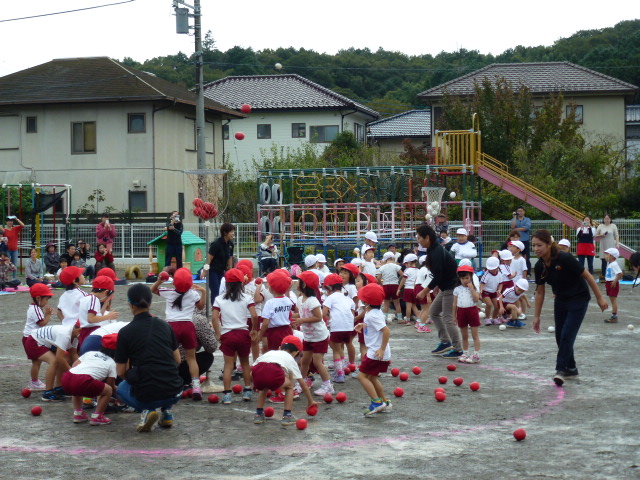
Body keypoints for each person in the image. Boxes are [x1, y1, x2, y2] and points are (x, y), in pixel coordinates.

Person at [532, 229, 608, 386]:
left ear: (548, 244)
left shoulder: (564, 258)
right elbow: (540, 292)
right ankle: (572, 368)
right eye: (533, 246)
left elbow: (587, 275)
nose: (536, 249)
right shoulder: (540, 266)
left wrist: (600, 297)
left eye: (539, 245)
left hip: (579, 299)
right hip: (560, 299)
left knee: (567, 334)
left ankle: (560, 370)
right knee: (559, 335)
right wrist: (537, 316)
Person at [115, 284, 183, 432]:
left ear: (131, 305)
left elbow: (120, 371)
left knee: (121, 389)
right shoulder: (165, 326)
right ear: (150, 303)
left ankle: (147, 409)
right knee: (163, 376)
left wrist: (134, 376)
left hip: (147, 391)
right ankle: (167, 412)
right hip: (175, 390)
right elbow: (177, 360)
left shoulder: (125, 332)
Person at [152, 267, 207, 401]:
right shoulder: (193, 294)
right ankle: (196, 386)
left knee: (170, 358)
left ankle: (169, 385)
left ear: (175, 282)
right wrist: (204, 292)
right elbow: (201, 307)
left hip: (171, 327)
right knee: (191, 358)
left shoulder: (169, 292)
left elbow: (152, 290)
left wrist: (159, 281)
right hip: (188, 326)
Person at [415, 224, 463, 358]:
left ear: (427, 238)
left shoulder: (436, 252)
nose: (418, 240)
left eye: (419, 238)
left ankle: (458, 349)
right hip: (446, 287)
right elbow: (440, 274)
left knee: (447, 318)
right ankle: (445, 341)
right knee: (434, 312)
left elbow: (439, 275)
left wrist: (425, 291)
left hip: (451, 288)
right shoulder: (433, 250)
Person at [211, 268, 258, 404]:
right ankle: (248, 390)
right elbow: (254, 315)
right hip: (243, 333)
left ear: (226, 284)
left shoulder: (219, 299)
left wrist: (218, 333)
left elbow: (215, 318)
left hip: (227, 334)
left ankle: (227, 394)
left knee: (228, 365)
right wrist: (254, 329)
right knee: (245, 363)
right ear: (241, 283)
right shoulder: (247, 298)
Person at [251, 335, 317, 426]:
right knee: (290, 386)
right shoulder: (290, 359)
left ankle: (258, 414)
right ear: (296, 353)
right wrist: (311, 401)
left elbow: (253, 369)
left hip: (257, 372)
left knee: (264, 387)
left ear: (280, 347)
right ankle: (287, 416)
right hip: (273, 372)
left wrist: (256, 384)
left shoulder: (270, 352)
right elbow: (303, 384)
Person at [61, 334, 118, 426]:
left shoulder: (90, 353)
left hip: (67, 378)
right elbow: (110, 385)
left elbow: (74, 365)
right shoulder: (112, 363)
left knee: (76, 388)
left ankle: (78, 414)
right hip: (83, 381)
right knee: (108, 390)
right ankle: (98, 416)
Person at [292, 271, 333, 396]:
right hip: (309, 336)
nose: (296, 282)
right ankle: (301, 383)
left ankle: (328, 385)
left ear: (304, 285)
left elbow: (318, 317)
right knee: (305, 361)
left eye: (299, 281)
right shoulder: (300, 299)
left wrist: (301, 320)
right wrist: (291, 317)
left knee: (317, 362)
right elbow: (303, 314)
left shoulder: (313, 300)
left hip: (319, 336)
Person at [354, 283, 392, 416]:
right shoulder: (374, 312)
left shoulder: (372, 315)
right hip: (378, 351)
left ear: (366, 301)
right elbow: (375, 326)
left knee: (361, 376)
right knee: (372, 377)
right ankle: (384, 401)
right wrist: (364, 325)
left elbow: (386, 331)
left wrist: (381, 349)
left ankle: (376, 402)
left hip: (376, 352)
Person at [27, 322, 82, 401]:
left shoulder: (75, 336)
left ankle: (59, 388)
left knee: (67, 358)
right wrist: (71, 372)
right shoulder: (65, 334)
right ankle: (48, 392)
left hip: (45, 343)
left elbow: (73, 354)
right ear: (79, 330)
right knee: (54, 361)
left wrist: (82, 368)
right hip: (34, 341)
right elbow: (59, 357)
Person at [323, 273, 355, 384]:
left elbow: (324, 312)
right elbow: (352, 310)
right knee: (340, 348)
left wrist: (327, 320)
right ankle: (341, 368)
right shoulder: (347, 298)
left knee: (336, 350)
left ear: (330, 287)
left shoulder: (330, 298)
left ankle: (340, 373)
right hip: (348, 326)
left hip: (337, 326)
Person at [23, 283, 55, 390]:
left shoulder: (34, 308)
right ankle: (34, 381)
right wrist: (48, 316)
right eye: (46, 299)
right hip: (31, 339)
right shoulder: (36, 309)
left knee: (37, 361)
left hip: (29, 337)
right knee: (37, 361)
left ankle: (34, 381)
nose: (47, 302)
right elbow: (42, 323)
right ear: (38, 298)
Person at [77, 275, 120, 349]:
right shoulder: (94, 299)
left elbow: (99, 315)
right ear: (106, 292)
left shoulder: (87, 298)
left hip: (84, 332)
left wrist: (106, 301)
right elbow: (91, 319)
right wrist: (109, 316)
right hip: (91, 331)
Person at [256, 271, 295, 352]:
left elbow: (266, 322)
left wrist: (260, 335)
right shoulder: (288, 300)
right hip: (287, 330)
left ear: (271, 288)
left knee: (274, 354)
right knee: (286, 352)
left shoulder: (270, 303)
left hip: (274, 333)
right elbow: (292, 313)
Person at [453, 265, 482, 364]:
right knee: (464, 335)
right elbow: (454, 304)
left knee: (475, 335)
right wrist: (454, 316)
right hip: (461, 311)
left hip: (472, 311)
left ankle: (476, 354)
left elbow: (476, 299)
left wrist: (472, 289)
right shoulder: (457, 289)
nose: (464, 280)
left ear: (471, 277)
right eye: (462, 278)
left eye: (467, 278)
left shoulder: (474, 288)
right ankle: (465, 352)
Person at [203, 222, 235, 302]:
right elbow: (209, 259)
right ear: (225, 233)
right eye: (231, 232)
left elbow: (230, 257)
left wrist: (230, 270)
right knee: (215, 291)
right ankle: (214, 309)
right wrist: (204, 271)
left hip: (222, 271)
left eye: (233, 231)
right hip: (213, 271)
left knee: (223, 290)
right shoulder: (216, 244)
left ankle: (220, 309)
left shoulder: (231, 244)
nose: (233, 234)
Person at [377, 251, 402, 323]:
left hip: (385, 285)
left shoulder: (382, 267)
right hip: (395, 285)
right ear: (393, 258)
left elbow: (378, 278)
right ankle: (400, 319)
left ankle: (384, 319)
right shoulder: (396, 266)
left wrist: (381, 285)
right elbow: (403, 275)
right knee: (397, 303)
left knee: (386, 304)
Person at [595, 214, 620, 280]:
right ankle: (603, 275)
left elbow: (616, 235)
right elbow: (596, 235)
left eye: (608, 218)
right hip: (603, 244)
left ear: (610, 219)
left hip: (611, 244)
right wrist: (601, 235)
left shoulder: (613, 226)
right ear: (603, 219)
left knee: (611, 260)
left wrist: (617, 243)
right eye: (605, 218)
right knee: (604, 260)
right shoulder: (600, 226)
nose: (606, 220)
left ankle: (612, 275)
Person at [396, 253, 419, 325]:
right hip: (415, 289)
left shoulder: (407, 271)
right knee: (414, 305)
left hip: (408, 289)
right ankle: (419, 319)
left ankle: (408, 320)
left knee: (408, 306)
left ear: (409, 262)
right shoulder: (418, 270)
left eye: (406, 263)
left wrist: (399, 288)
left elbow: (403, 280)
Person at [603, 248, 623, 323]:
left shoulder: (614, 264)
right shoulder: (611, 264)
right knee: (612, 300)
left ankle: (614, 316)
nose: (606, 256)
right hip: (609, 283)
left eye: (608, 255)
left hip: (612, 283)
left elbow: (620, 274)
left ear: (613, 256)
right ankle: (613, 316)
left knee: (613, 300)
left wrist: (615, 281)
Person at [510, 207, 532, 272]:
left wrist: (516, 229)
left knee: (526, 257)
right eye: (518, 211)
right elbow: (512, 226)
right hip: (516, 242)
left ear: (524, 212)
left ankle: (528, 272)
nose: (520, 212)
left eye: (521, 211)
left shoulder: (527, 219)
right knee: (514, 256)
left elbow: (527, 228)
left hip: (525, 240)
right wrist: (514, 217)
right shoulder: (514, 219)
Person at [4, 215, 25, 280]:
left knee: (14, 264)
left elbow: (23, 225)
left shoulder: (15, 229)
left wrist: (17, 219)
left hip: (15, 250)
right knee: (7, 264)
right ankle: (5, 278)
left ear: (12, 222)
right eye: (8, 221)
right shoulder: (4, 230)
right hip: (7, 250)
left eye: (11, 221)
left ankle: (14, 279)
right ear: (6, 222)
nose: (10, 222)